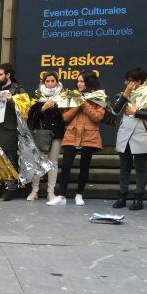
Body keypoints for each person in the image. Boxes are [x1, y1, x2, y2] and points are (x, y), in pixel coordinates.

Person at [47, 71, 107, 206]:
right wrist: (78, 104)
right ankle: (61, 196)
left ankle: (79, 195)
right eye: (78, 81)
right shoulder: (72, 96)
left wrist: (85, 104)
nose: (78, 83)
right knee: (66, 166)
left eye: (81, 81)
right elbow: (65, 117)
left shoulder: (99, 97)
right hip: (72, 134)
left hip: (89, 135)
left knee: (84, 167)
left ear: (89, 82)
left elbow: (98, 118)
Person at [110, 67, 147, 210]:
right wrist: (125, 95)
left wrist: (136, 112)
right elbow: (115, 111)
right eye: (126, 80)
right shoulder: (124, 93)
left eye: (130, 81)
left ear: (138, 81)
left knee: (140, 168)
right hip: (125, 134)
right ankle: (122, 196)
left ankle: (138, 198)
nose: (127, 83)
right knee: (125, 167)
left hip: (142, 134)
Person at [0, 63, 30, 200]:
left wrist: (11, 100)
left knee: (9, 158)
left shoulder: (18, 90)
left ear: (8, 75)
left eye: (0, 74)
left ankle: (11, 188)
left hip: (10, 129)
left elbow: (24, 110)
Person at [27, 72, 65, 201]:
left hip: (56, 134)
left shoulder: (63, 96)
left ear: (57, 82)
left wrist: (54, 108)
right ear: (43, 83)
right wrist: (43, 108)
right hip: (40, 134)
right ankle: (34, 191)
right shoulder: (37, 96)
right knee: (38, 162)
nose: (50, 84)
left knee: (53, 162)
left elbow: (66, 118)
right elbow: (30, 117)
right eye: (47, 81)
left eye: (52, 81)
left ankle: (50, 192)